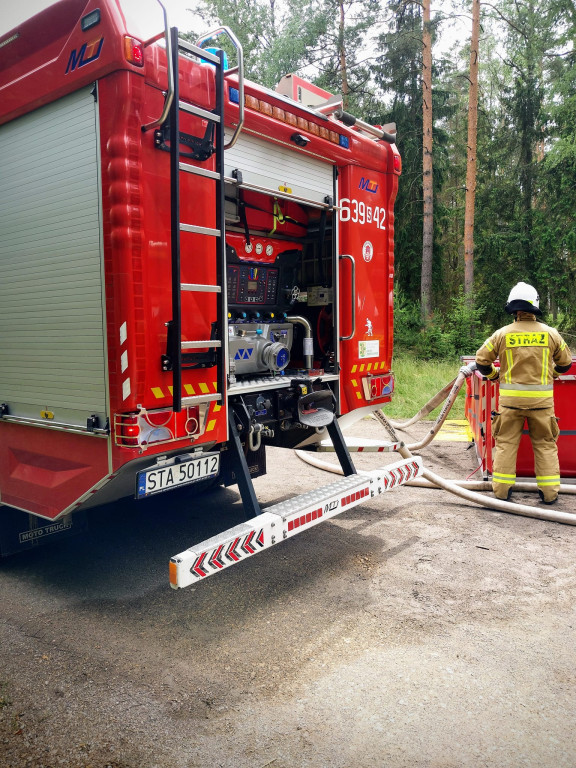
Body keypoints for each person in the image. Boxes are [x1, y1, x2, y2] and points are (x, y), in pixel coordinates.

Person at [462, 282, 572, 504]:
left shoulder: (502, 334)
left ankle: (502, 492)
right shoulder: (551, 334)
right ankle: (549, 494)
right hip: (542, 404)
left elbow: (481, 361)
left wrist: (494, 376)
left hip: (510, 404)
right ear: (534, 306)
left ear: (513, 309)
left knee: (506, 445)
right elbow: (566, 363)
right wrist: (552, 374)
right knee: (545, 445)